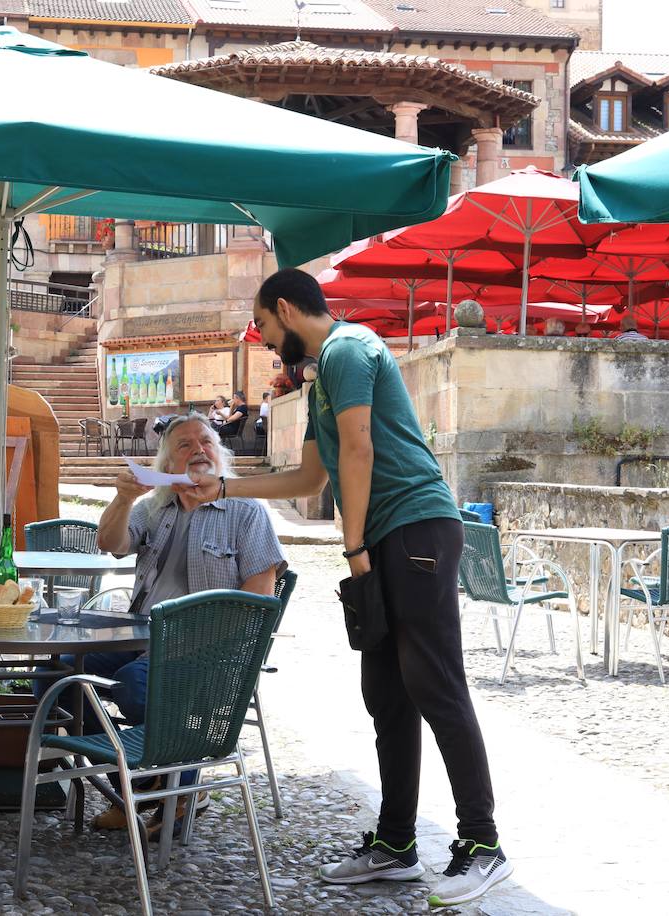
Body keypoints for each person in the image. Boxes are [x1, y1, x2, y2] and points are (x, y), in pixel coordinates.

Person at [176, 268, 510, 907]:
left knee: (436, 684)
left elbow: (359, 452)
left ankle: (482, 844)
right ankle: (395, 845)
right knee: (387, 695)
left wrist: (353, 547)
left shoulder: (348, 351)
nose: (271, 346)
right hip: (383, 539)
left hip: (414, 529)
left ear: (285, 310)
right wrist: (223, 489)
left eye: (268, 331)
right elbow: (307, 476)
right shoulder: (320, 376)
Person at [69, 414, 285, 836]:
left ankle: (171, 789)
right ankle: (138, 788)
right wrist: (123, 499)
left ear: (219, 454)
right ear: (166, 466)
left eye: (206, 441)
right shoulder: (154, 509)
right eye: (184, 445)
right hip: (141, 637)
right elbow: (110, 544)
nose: (199, 450)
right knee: (60, 672)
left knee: (134, 684)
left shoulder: (245, 511)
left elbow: (260, 598)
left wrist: (207, 638)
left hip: (205, 647)